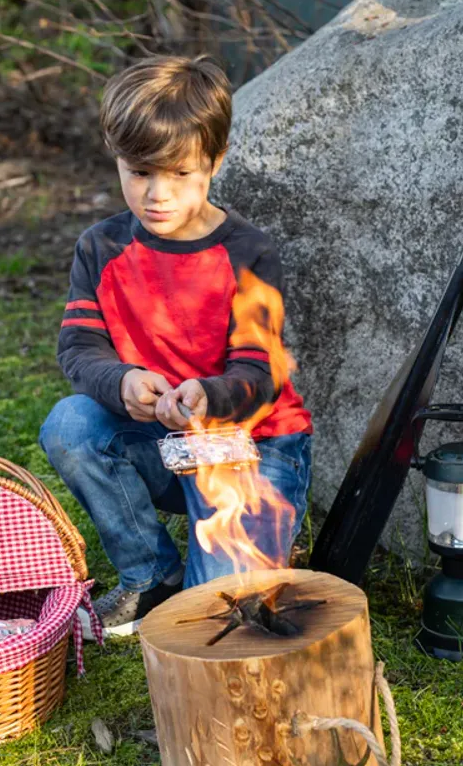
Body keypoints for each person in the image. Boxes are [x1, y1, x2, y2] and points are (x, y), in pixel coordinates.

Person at [39, 56, 312, 638]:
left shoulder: (247, 253)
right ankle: (150, 574)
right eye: (139, 173)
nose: (157, 195)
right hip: (163, 443)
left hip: (253, 446)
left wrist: (205, 395)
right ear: (116, 157)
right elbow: (79, 346)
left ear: (214, 161)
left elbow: (258, 372)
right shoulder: (102, 247)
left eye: (180, 174)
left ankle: (214, 567)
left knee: (215, 619)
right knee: (71, 424)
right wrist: (122, 381)